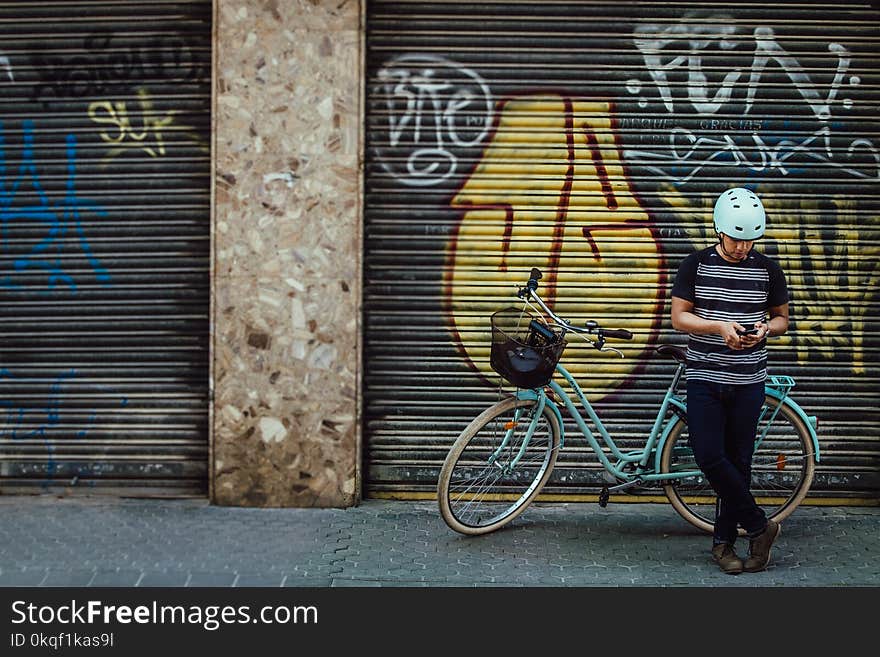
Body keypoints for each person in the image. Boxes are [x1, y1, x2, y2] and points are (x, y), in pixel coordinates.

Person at [670, 187, 789, 574]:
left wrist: (764, 330)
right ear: (719, 230)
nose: (742, 246)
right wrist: (719, 326)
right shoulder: (695, 264)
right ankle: (759, 525)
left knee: (739, 462)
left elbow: (782, 320)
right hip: (704, 374)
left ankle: (724, 546)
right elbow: (680, 318)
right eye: (735, 237)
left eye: (749, 238)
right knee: (707, 454)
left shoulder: (768, 269)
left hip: (749, 379)